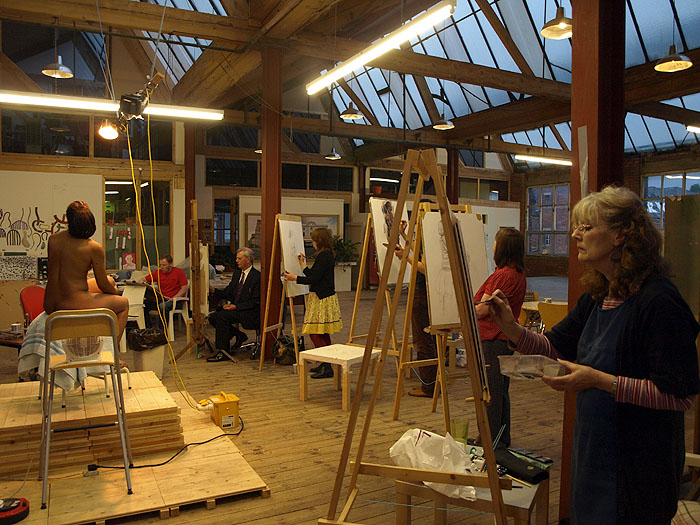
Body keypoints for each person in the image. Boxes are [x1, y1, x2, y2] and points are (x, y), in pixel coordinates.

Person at [486, 186, 699, 523]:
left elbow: (680, 396)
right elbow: (556, 346)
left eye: (585, 227)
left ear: (619, 235)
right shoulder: (599, 295)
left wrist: (601, 381)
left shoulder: (659, 302)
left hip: (638, 468)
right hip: (593, 454)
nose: (575, 235)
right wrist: (512, 329)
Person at [43, 201, 129, 341]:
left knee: (111, 280)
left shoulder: (53, 239)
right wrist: (115, 292)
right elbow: (102, 284)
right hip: (70, 302)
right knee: (123, 303)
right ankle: (114, 350)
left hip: (50, 301)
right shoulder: (93, 247)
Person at [472, 227, 526, 448]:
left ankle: (490, 440)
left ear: (502, 247)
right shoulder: (514, 273)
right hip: (501, 338)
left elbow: (482, 309)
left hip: (495, 338)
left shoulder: (504, 275)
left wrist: (463, 307)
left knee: (492, 392)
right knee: (500, 390)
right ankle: (500, 438)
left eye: (496, 242)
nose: (493, 245)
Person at [284, 227, 342, 379]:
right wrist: (303, 265)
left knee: (314, 332)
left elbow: (313, 279)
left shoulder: (324, 256)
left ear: (319, 241)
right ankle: (325, 363)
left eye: (314, 240)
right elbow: (314, 275)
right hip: (323, 297)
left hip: (322, 298)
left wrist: (294, 278)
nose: (313, 243)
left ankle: (327, 365)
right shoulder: (327, 254)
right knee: (322, 332)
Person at [393, 219, 437, 397]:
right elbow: (417, 250)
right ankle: (432, 384)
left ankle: (429, 387)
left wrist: (405, 257)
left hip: (422, 294)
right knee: (427, 339)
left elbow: (425, 268)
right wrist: (404, 234)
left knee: (423, 340)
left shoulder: (430, 238)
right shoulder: (433, 236)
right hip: (429, 293)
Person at [207, 247, 260, 362]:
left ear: (248, 259)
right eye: (237, 258)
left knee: (222, 317)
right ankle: (239, 335)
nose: (236, 261)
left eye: (239, 258)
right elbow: (229, 292)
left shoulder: (257, 277)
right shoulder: (237, 273)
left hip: (249, 311)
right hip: (236, 308)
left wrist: (236, 307)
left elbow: (256, 301)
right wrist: (214, 291)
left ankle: (223, 351)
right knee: (213, 317)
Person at [140, 254, 188, 328]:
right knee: (143, 305)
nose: (162, 267)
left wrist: (174, 298)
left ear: (170, 264)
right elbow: (143, 279)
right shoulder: (158, 273)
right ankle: (149, 329)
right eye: (160, 265)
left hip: (175, 301)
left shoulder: (179, 272)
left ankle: (162, 331)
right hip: (162, 299)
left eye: (164, 265)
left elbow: (184, 288)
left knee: (163, 306)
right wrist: (140, 282)